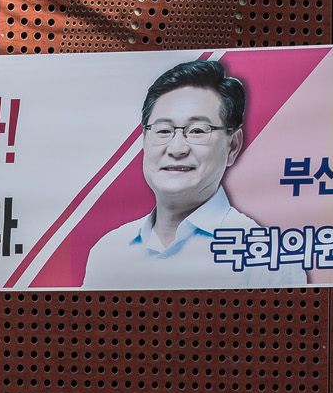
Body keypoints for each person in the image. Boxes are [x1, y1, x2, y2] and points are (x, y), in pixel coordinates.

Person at [83, 59, 303, 289]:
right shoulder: (107, 253)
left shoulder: (268, 258)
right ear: (144, 141)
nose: (177, 148)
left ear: (233, 146)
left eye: (197, 131)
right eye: (163, 131)